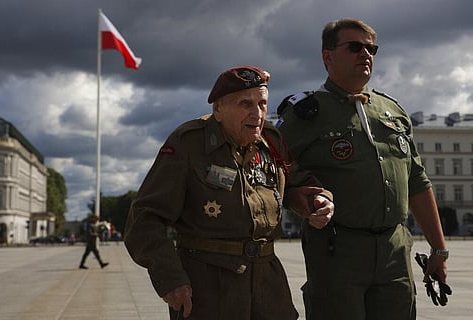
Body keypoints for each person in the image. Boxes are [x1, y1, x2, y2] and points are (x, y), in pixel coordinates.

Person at [123, 65, 333, 320]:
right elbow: (145, 218)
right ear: (218, 109)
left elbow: (294, 182)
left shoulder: (271, 141)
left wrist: (317, 200)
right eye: (246, 103)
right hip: (210, 289)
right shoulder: (189, 143)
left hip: (268, 287)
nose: (257, 113)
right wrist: (170, 279)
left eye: (262, 103)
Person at [277, 18, 449, 320]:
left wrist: (439, 249)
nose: (366, 54)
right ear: (327, 57)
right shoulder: (305, 114)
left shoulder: (391, 110)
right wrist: (299, 200)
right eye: (355, 47)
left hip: (394, 250)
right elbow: (276, 171)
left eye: (372, 48)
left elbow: (417, 181)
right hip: (337, 251)